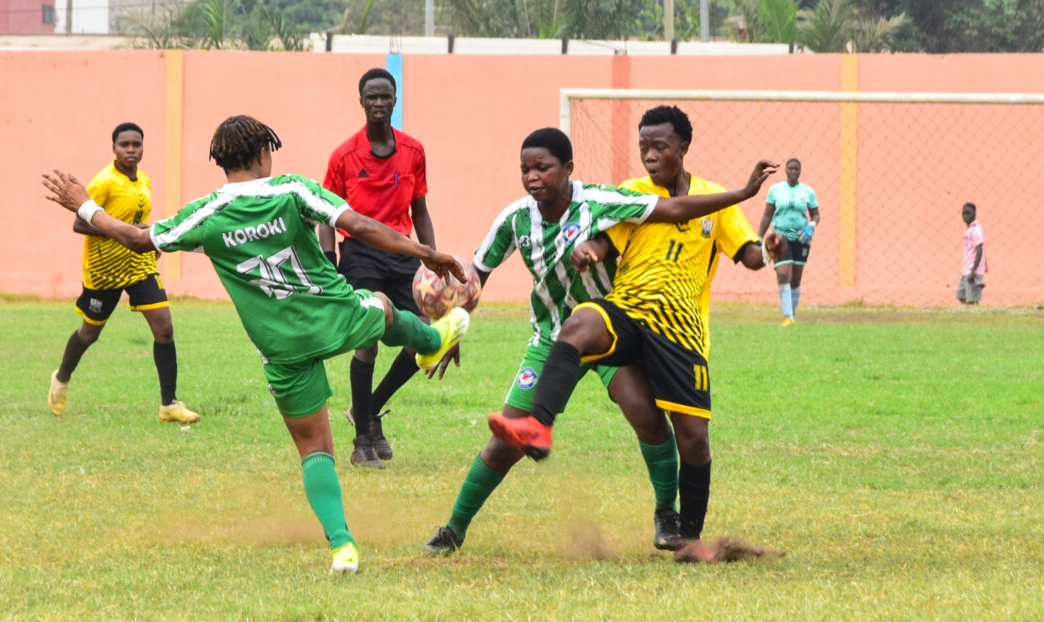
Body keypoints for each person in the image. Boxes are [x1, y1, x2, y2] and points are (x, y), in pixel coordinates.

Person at [43, 115, 471, 575]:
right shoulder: (290, 189)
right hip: (334, 317)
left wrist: (84, 205)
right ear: (263, 154)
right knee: (384, 306)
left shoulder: (205, 214)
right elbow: (360, 226)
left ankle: (343, 547)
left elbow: (136, 238)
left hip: (280, 345)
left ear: (222, 162)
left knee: (315, 449)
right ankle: (429, 341)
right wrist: (426, 253)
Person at [421, 126, 776, 557]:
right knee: (505, 444)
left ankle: (668, 519)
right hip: (551, 340)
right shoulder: (514, 219)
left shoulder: (602, 202)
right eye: (524, 170)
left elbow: (675, 207)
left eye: (542, 168)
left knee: (647, 418)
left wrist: (741, 194)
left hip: (608, 333)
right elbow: (472, 277)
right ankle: (453, 530)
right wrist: (456, 325)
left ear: (568, 168)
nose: (532, 177)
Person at [320, 68, 437, 470]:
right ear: (361, 101)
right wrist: (330, 258)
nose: (379, 103)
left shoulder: (414, 151)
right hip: (361, 256)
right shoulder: (344, 155)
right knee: (367, 338)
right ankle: (361, 442)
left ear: (395, 99)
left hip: (403, 254)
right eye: (371, 97)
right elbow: (326, 215)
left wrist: (431, 261)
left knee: (426, 338)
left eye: (385, 96)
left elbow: (419, 210)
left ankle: (369, 409)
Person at [46, 122, 199, 426]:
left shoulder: (144, 180)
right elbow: (80, 224)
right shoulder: (104, 182)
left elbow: (138, 222)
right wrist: (120, 233)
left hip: (139, 266)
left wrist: (146, 238)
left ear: (143, 147)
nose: (131, 150)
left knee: (164, 329)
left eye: (136, 144)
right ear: (113, 148)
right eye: (124, 145)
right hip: (104, 272)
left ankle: (169, 404)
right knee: (89, 334)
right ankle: (61, 378)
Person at [757, 158, 819, 326]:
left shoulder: (808, 192)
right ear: (785, 170)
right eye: (790, 169)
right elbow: (767, 215)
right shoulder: (776, 190)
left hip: (801, 238)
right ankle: (788, 317)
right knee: (783, 274)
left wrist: (811, 226)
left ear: (800, 171)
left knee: (796, 278)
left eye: (796, 169)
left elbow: (815, 214)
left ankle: (792, 314)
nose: (793, 172)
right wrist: (760, 237)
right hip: (780, 237)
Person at [957, 202, 987, 305]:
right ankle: (967, 315)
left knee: (972, 300)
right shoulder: (970, 230)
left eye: (968, 213)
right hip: (967, 269)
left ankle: (975, 315)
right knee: (961, 295)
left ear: (974, 214)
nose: (965, 216)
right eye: (964, 213)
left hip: (973, 270)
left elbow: (980, 249)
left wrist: (974, 271)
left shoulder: (976, 230)